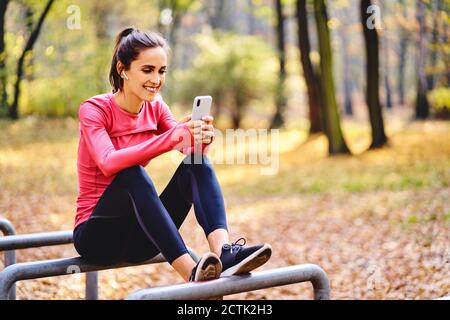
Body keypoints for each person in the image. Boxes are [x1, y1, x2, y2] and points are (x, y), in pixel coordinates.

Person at [73, 27, 272, 283]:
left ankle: (225, 253)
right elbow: (108, 162)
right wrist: (171, 137)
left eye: (161, 71)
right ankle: (191, 272)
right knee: (132, 173)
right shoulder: (94, 110)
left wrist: (200, 140)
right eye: (147, 70)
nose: (156, 79)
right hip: (97, 238)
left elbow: (187, 150)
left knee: (196, 164)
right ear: (123, 69)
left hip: (142, 239)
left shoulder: (155, 106)